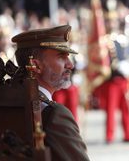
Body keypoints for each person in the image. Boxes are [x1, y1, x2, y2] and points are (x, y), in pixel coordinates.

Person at [11, 25, 90, 161]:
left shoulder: (5, 101)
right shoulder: (55, 114)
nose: (70, 65)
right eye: (61, 57)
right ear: (36, 65)